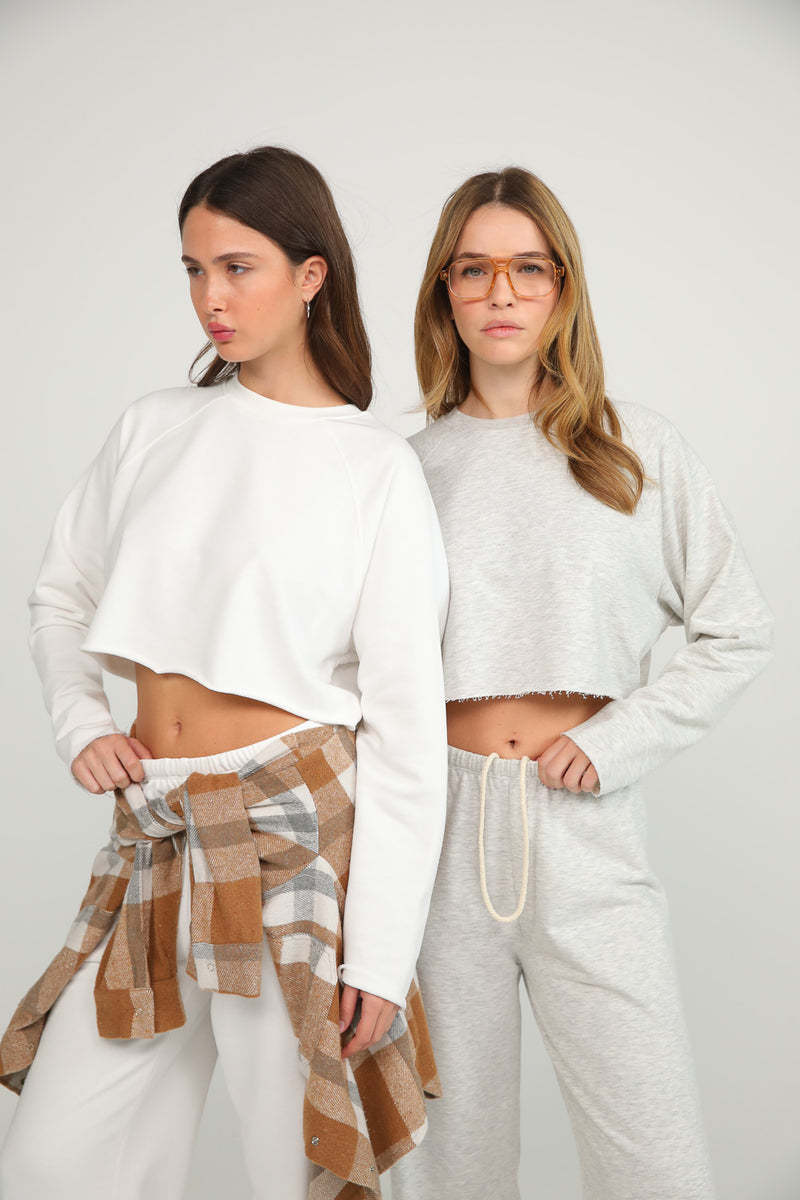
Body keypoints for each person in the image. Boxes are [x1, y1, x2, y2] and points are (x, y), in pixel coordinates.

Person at [0, 146, 448, 1200]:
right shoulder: (154, 427)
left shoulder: (375, 470)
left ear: (310, 274)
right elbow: (59, 599)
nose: (211, 297)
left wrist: (379, 957)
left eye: (238, 267)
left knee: (293, 1163)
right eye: (194, 270)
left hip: (292, 839)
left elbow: (405, 729)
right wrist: (81, 723)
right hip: (157, 831)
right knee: (54, 1163)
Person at [390, 167, 773, 1200]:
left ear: (562, 287)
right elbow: (357, 671)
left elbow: (736, 629)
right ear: (443, 291)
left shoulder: (635, 447)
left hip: (586, 832)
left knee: (656, 1162)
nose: (500, 293)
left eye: (528, 268)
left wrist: (613, 745)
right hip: (435, 839)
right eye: (473, 270)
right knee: (448, 1167)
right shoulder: (405, 470)